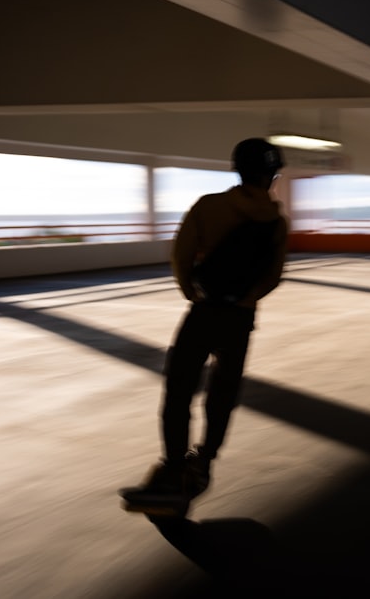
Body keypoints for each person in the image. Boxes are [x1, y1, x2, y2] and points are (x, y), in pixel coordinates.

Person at [122, 138, 288, 505]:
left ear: (238, 169)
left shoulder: (209, 206)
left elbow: (180, 255)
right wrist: (246, 299)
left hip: (204, 312)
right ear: (272, 175)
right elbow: (274, 275)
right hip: (240, 318)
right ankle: (205, 461)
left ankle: (174, 466)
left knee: (180, 389)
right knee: (223, 392)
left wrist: (192, 293)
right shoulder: (276, 221)